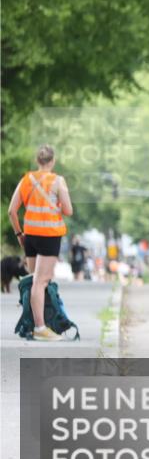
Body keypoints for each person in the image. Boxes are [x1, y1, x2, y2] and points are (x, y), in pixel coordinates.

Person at [6, 144, 74, 341]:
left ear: (37, 161)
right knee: (40, 281)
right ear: (52, 161)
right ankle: (40, 328)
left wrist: (19, 234)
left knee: (35, 281)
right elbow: (68, 211)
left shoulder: (26, 180)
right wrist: (58, 204)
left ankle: (35, 322)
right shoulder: (57, 181)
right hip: (49, 236)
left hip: (30, 236)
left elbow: (12, 211)